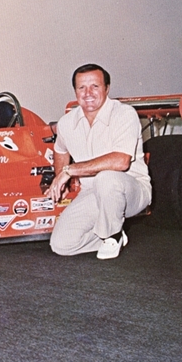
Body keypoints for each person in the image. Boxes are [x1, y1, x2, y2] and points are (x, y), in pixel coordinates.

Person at [46, 64, 151, 259]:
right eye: (81, 88)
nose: (88, 93)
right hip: (93, 193)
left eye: (95, 86)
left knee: (107, 178)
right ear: (75, 91)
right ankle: (114, 234)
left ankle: (112, 234)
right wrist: (61, 179)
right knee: (61, 245)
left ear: (107, 88)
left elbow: (121, 162)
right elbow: (60, 149)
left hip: (131, 191)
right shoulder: (66, 123)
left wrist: (70, 171)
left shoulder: (124, 114)